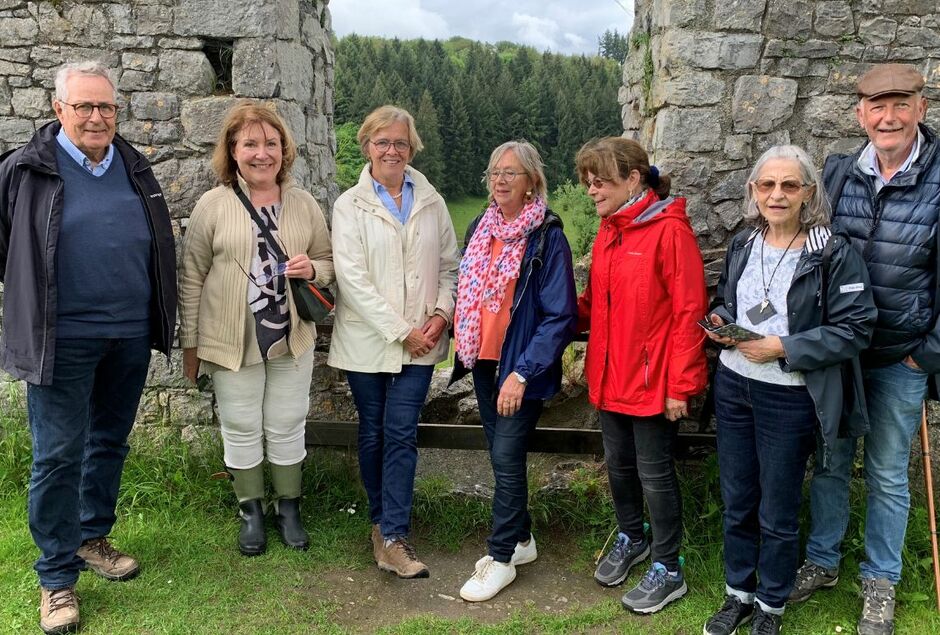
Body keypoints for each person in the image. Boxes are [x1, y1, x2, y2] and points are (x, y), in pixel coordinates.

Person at [0, 61, 177, 634]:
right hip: (61, 337)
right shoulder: (26, 170)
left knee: (108, 441)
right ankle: (55, 579)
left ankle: (91, 537)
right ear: (59, 110)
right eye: (84, 107)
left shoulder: (132, 164)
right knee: (56, 455)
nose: (97, 117)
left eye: (106, 107)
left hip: (127, 332)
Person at [790, 63, 940, 635]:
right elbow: (818, 255)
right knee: (829, 463)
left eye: (901, 104)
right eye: (877, 106)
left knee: (885, 473)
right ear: (860, 114)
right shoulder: (838, 172)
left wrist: (924, 357)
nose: (889, 116)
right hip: (839, 354)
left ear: (921, 108)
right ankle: (823, 562)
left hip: (902, 356)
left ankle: (881, 582)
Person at [703, 145, 877, 635]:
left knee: (777, 508)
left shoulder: (830, 252)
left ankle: (771, 605)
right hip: (735, 386)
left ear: (807, 193)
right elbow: (727, 300)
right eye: (767, 185)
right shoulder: (742, 244)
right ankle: (738, 592)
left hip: (790, 396)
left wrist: (783, 346)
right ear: (753, 191)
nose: (776, 195)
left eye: (788, 185)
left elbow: (856, 327)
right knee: (738, 499)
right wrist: (720, 321)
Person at [178, 101, 334, 556]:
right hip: (231, 337)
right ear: (232, 149)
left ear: (284, 150)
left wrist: (313, 270)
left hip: (290, 336)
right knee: (242, 424)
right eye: (250, 143)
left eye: (271, 143)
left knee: (287, 422)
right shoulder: (214, 205)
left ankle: (289, 508)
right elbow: (192, 276)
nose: (261, 153)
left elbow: (327, 262)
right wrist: (191, 343)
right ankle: (251, 511)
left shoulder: (303, 203)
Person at [575, 136, 707, 614]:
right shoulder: (610, 231)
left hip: (652, 383)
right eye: (587, 182)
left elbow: (690, 311)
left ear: (633, 180)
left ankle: (669, 568)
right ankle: (632, 537)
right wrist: (546, 315)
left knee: (655, 475)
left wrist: (680, 386)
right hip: (611, 376)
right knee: (620, 466)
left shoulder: (669, 231)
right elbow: (592, 305)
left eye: (601, 181)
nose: (591, 190)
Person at [328, 105, 459, 579]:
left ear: (412, 148)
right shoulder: (349, 205)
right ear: (366, 146)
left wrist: (441, 314)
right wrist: (401, 331)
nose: (391, 150)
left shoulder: (431, 199)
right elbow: (353, 279)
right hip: (370, 343)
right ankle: (382, 526)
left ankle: (394, 535)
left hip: (423, 341)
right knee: (373, 431)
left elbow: (450, 264)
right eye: (382, 142)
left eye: (400, 142)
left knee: (401, 432)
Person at [452, 141, 577, 602]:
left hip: (520, 371)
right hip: (484, 363)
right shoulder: (480, 227)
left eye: (511, 173)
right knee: (500, 455)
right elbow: (466, 291)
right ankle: (523, 541)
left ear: (532, 184)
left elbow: (559, 315)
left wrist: (521, 373)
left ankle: (501, 557)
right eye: (494, 173)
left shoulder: (547, 236)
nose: (500, 180)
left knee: (505, 458)